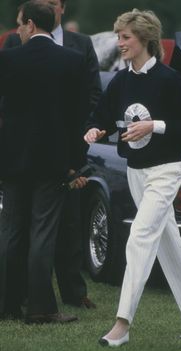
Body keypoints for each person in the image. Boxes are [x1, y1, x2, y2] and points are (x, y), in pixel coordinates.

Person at [84, 9, 181, 347]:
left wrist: (153, 125)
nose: (120, 43)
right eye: (119, 37)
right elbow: (105, 117)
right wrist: (96, 129)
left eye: (125, 37)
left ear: (145, 39)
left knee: (139, 236)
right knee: (169, 244)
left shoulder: (170, 79)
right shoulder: (122, 81)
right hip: (135, 173)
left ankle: (121, 324)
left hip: (166, 171)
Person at [3, 0, 102, 309]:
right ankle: (41, 308)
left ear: (31, 25)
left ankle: (6, 304)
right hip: (52, 161)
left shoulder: (7, 59)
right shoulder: (71, 61)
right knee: (43, 234)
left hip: (12, 159)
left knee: (11, 231)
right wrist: (75, 164)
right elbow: (77, 117)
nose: (18, 29)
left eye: (20, 24)